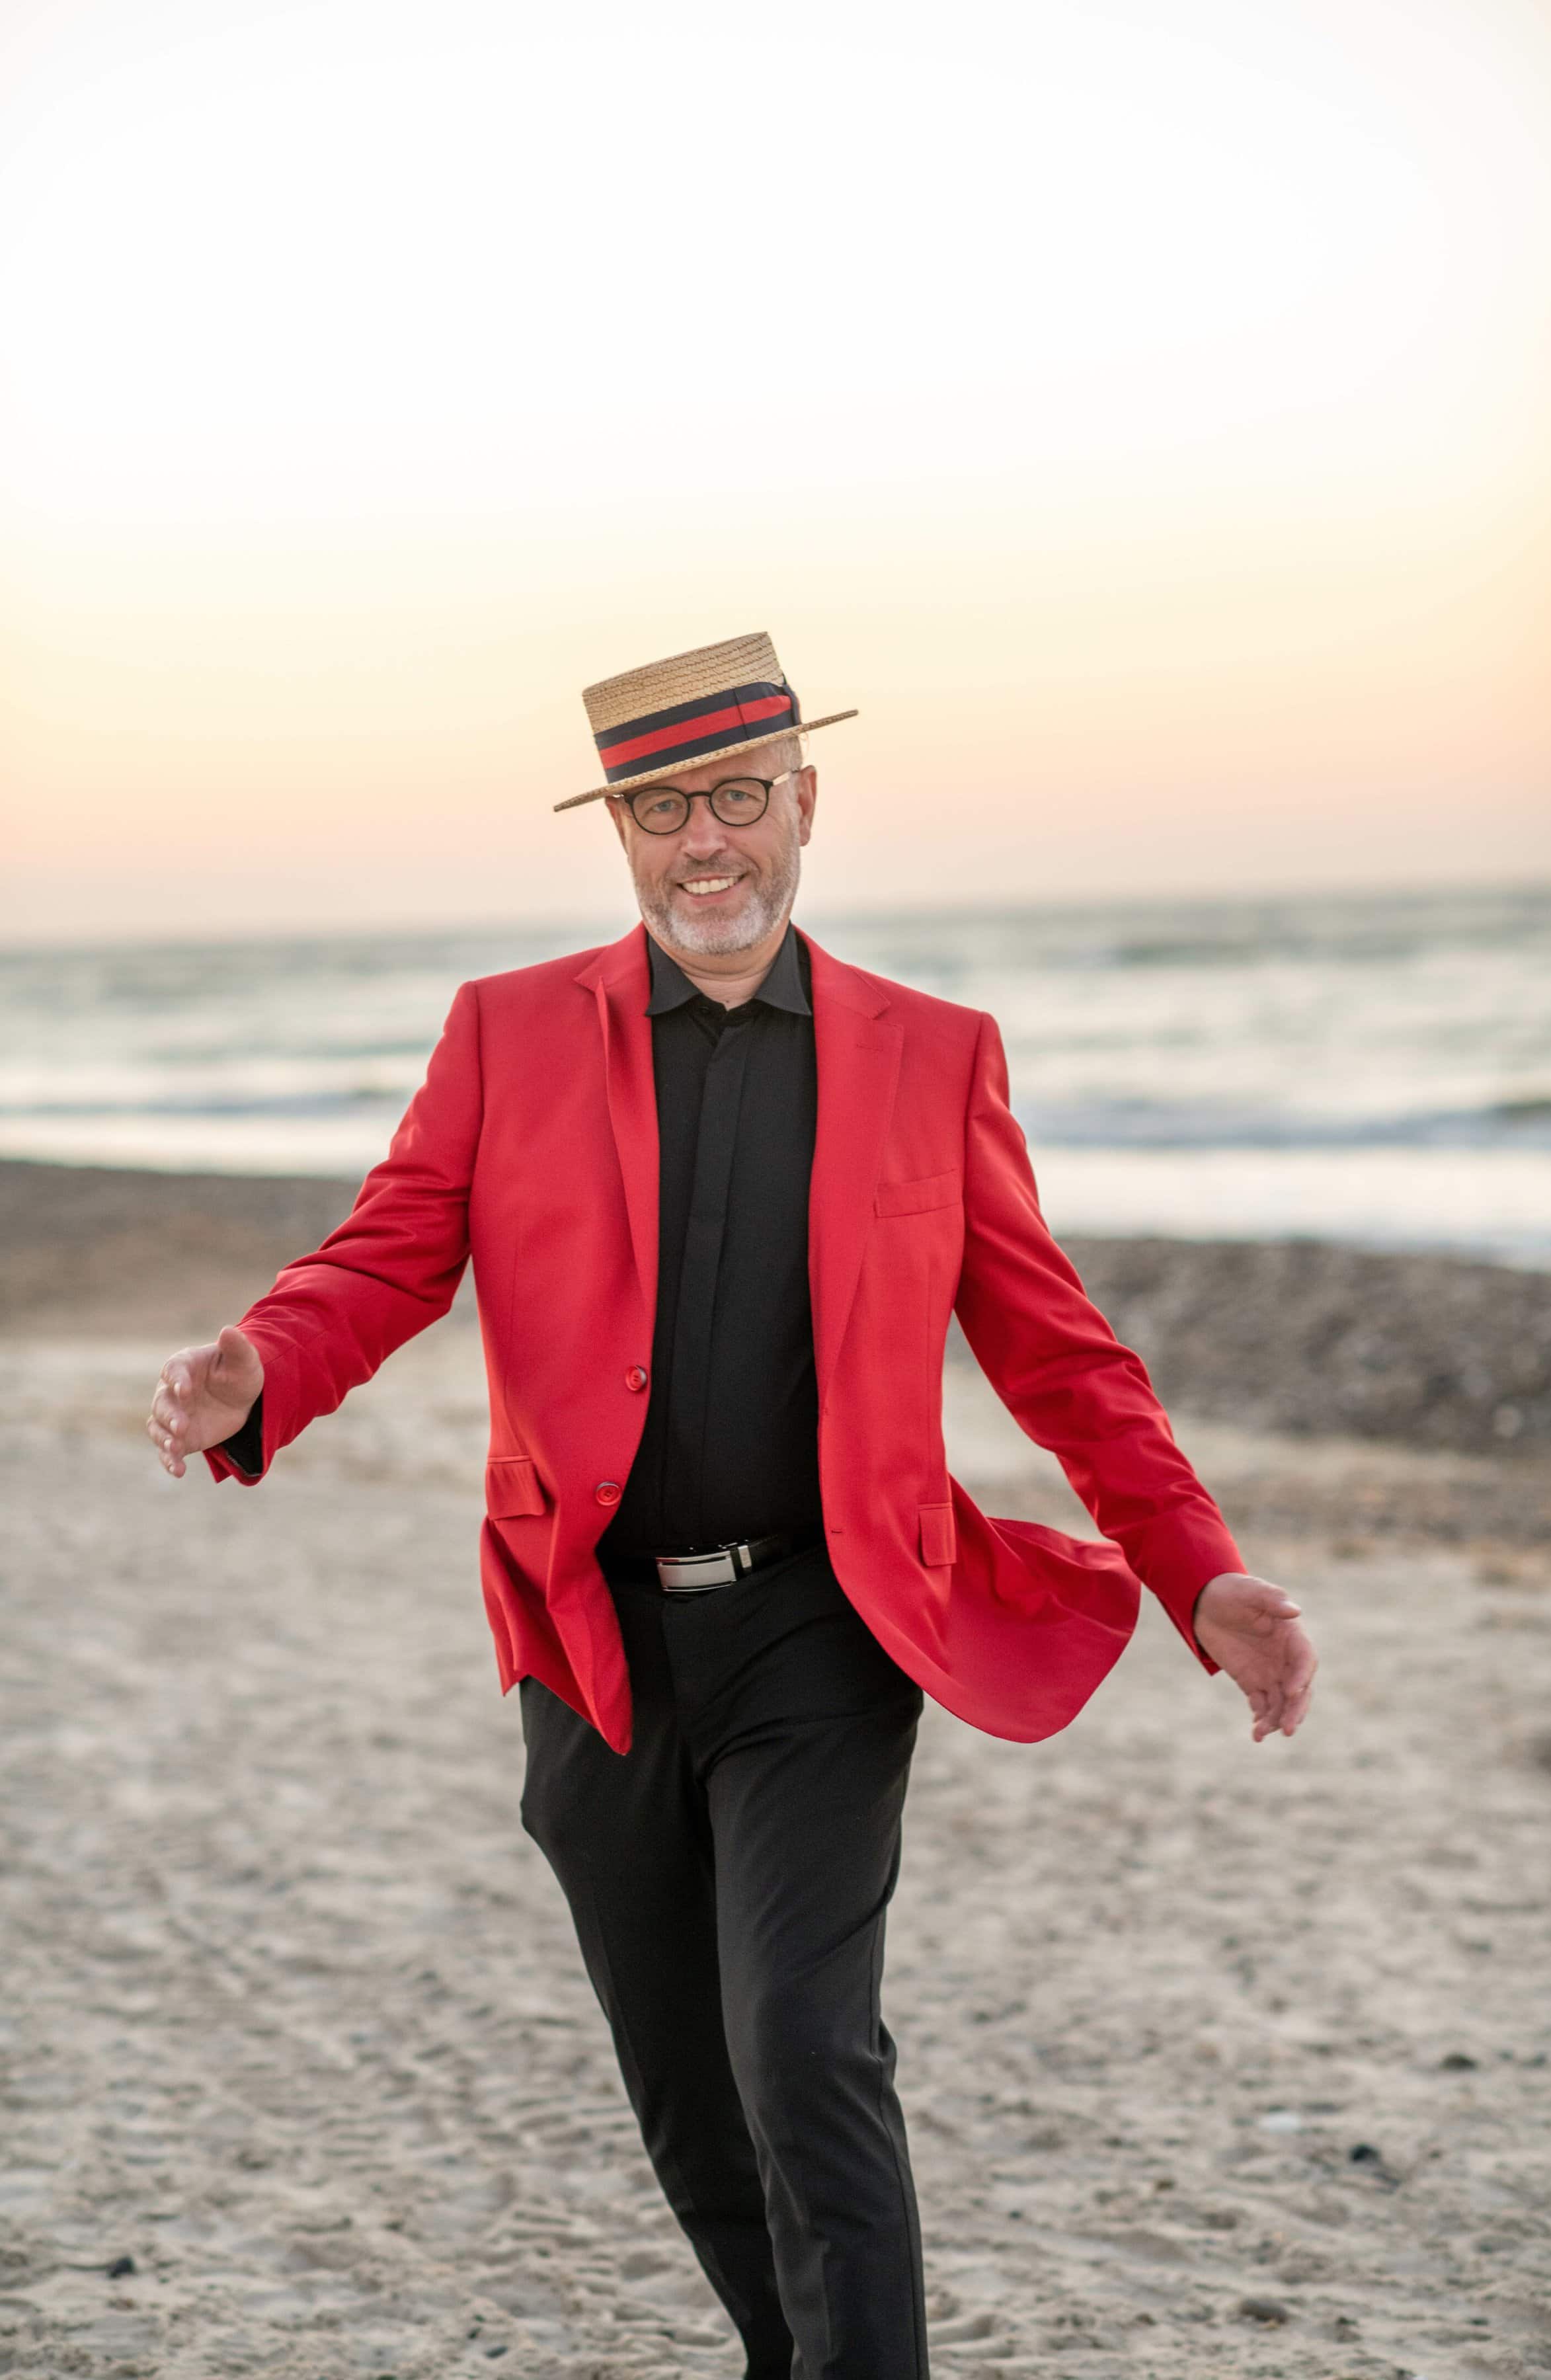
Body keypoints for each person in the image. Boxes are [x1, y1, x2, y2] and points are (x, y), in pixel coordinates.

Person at [145, 630, 1317, 2378]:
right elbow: (388, 1257)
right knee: (690, 2098)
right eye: (663, 806)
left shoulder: (934, 1056)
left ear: (807, 805)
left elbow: (1066, 1358)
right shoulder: (505, 1035)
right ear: (621, 829)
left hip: (827, 1628)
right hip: (590, 1631)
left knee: (801, 2046)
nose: (707, 844)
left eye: (740, 800)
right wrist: (263, 1368)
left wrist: (1198, 1574)